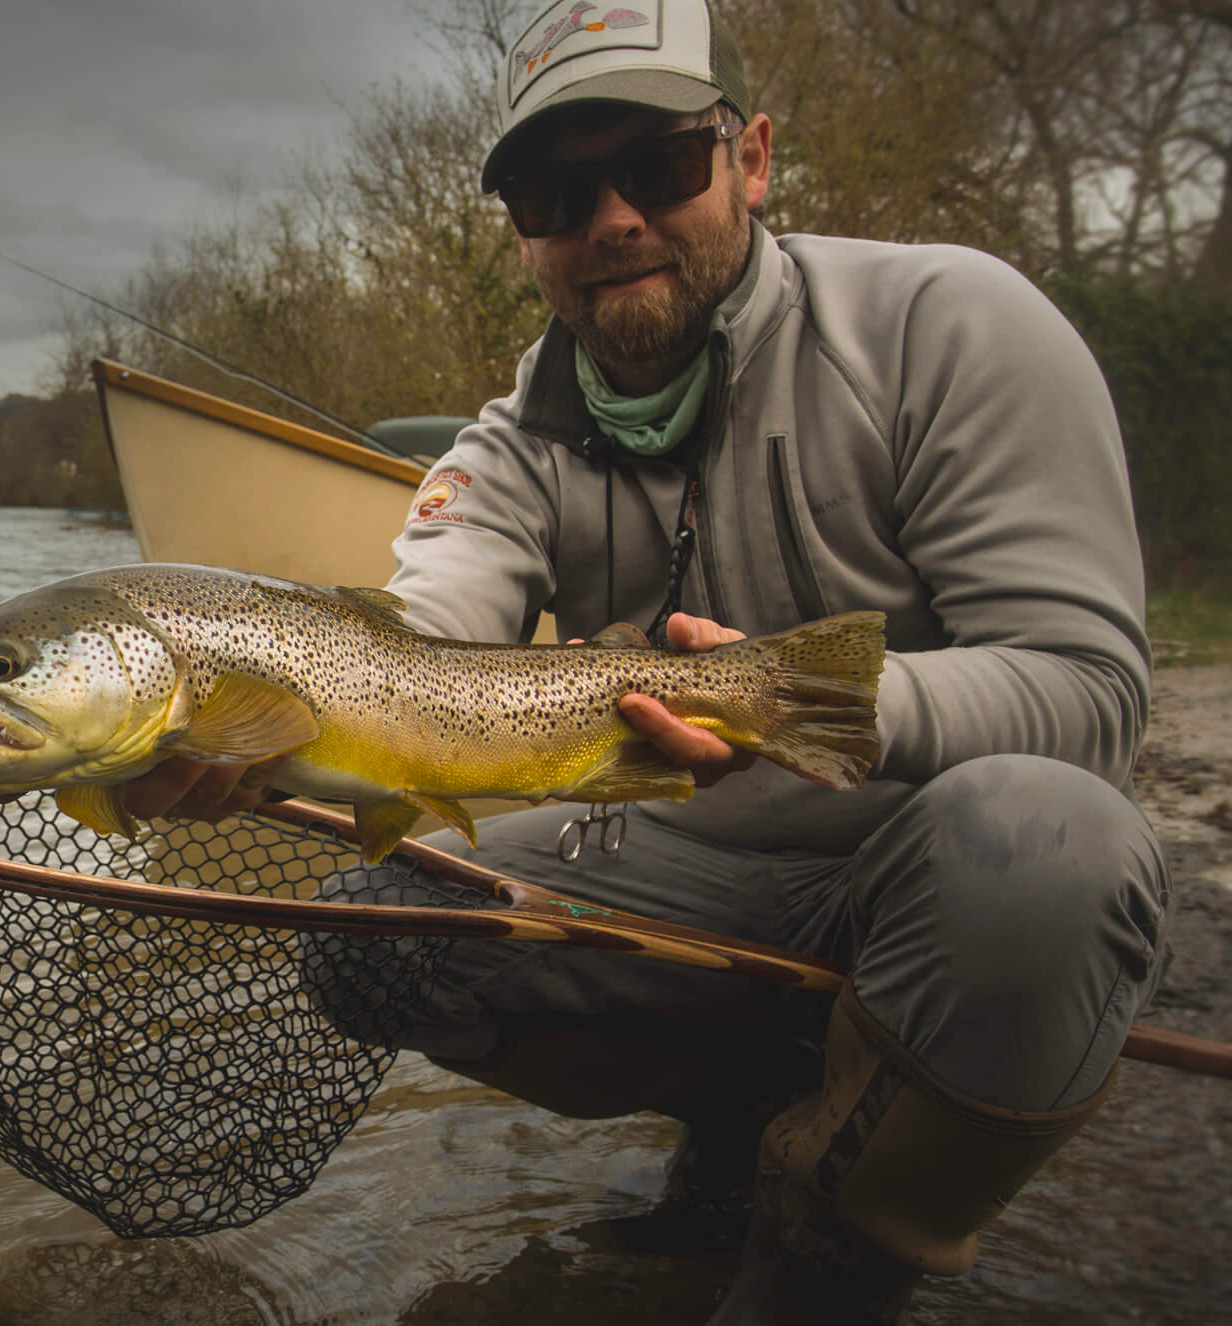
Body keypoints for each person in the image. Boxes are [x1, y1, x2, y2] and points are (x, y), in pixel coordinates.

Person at [114, 1, 1170, 1321]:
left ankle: (830, 1260)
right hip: (687, 875)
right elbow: (413, 653)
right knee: (373, 931)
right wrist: (234, 725)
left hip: (926, 872)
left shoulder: (944, 322)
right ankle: (739, 1129)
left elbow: (1089, 690)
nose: (609, 217)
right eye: (556, 190)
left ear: (753, 159)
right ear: (523, 228)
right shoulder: (506, 448)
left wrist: (804, 700)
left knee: (1049, 847)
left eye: (659, 165)